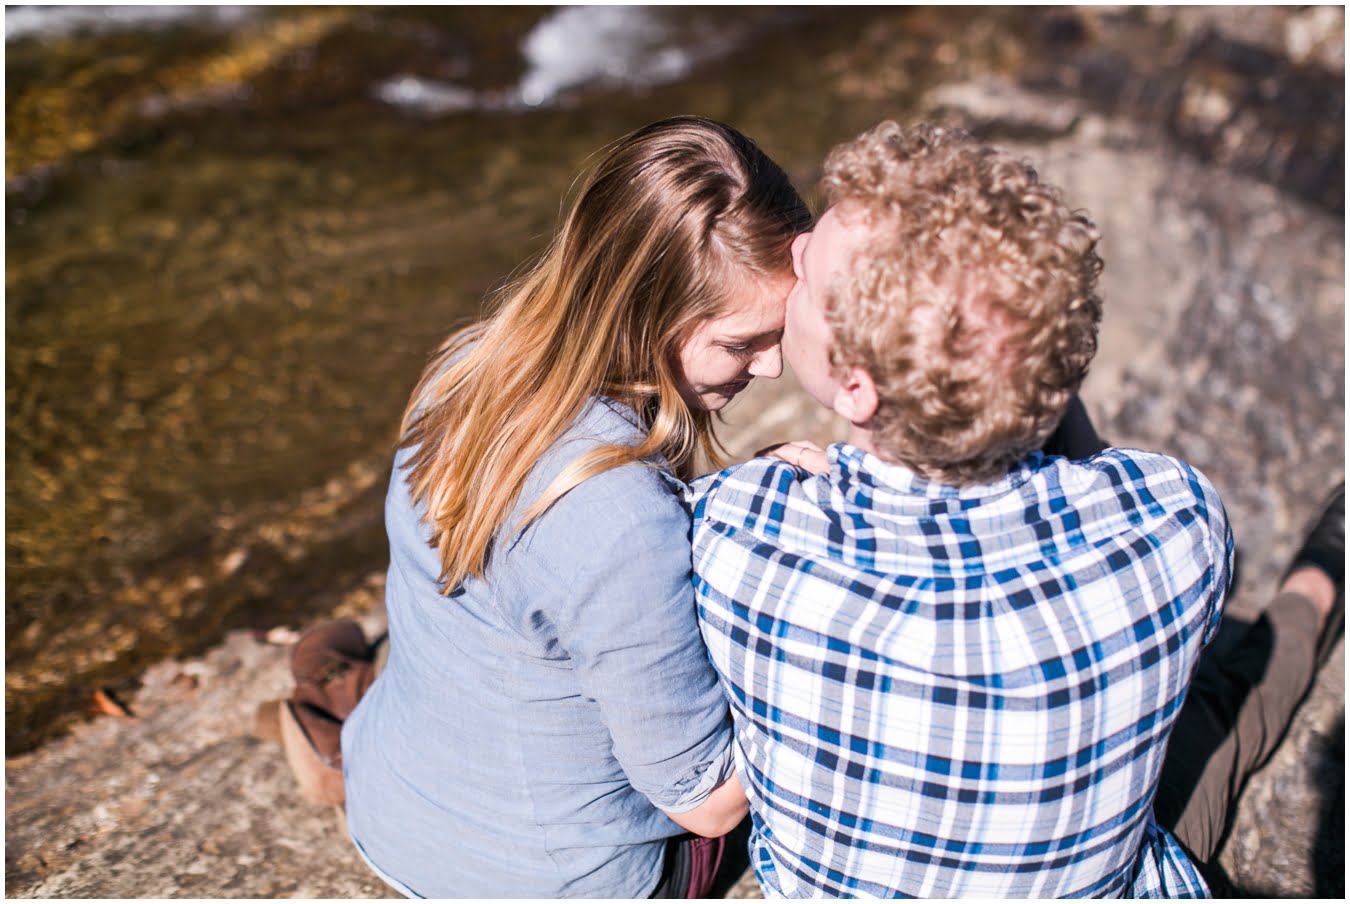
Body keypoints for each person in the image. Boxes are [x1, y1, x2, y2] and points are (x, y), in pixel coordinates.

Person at [691, 121, 1344, 897]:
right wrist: (1026, 360)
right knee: (1226, 694)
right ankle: (1323, 578)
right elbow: (1092, 462)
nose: (793, 253)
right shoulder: (1177, 525)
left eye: (811, 264)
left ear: (858, 389)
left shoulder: (737, 535)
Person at [339, 116, 811, 898]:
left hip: (388, 807)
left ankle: (328, 696)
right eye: (742, 342)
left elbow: (557, 553)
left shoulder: (468, 364)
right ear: (642, 314)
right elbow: (709, 804)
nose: (772, 366)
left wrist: (716, 498)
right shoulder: (620, 518)